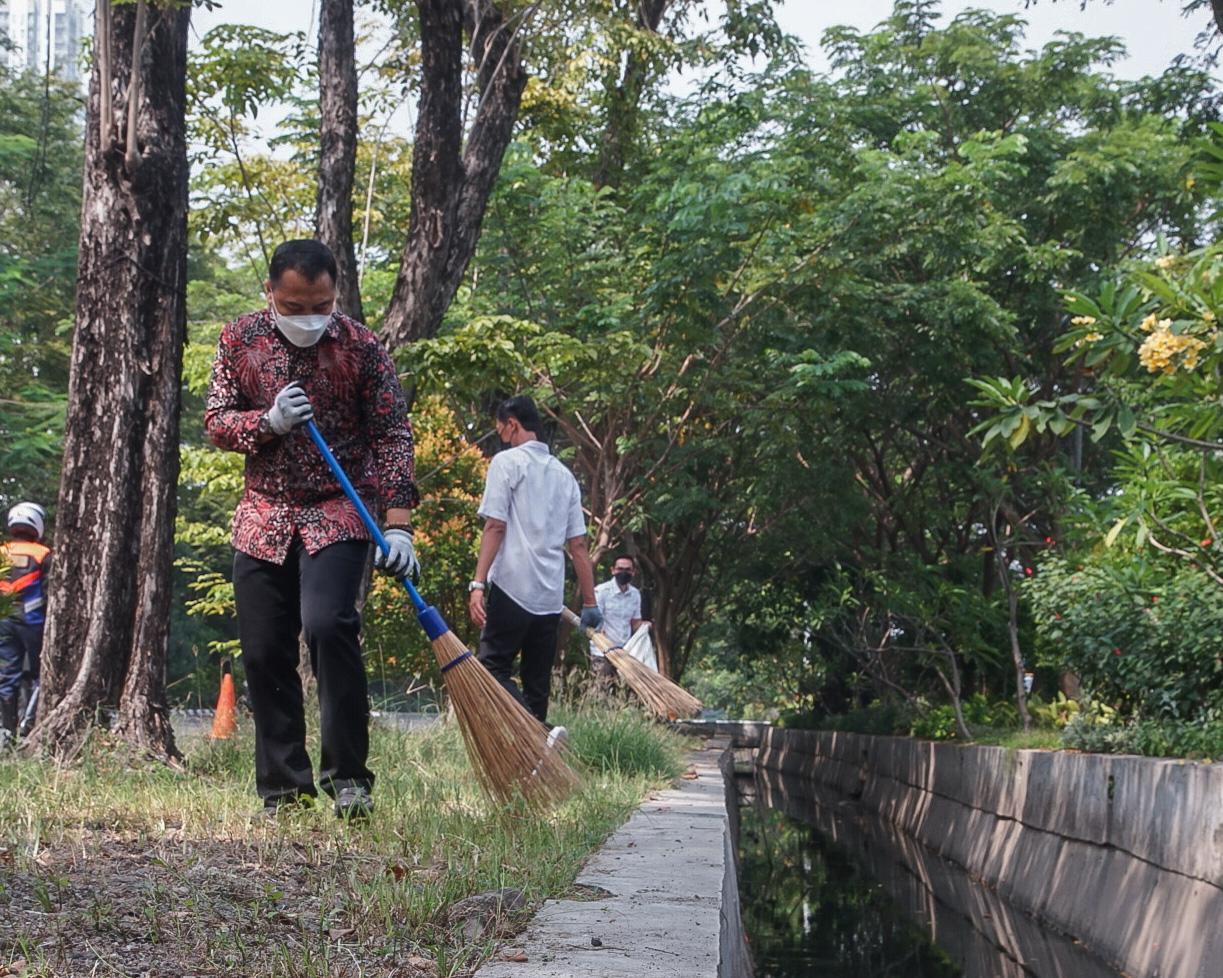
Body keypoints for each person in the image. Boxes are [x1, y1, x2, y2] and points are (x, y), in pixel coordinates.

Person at [205, 239, 420, 820]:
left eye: (320, 306)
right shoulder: (238, 341)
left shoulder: (362, 347)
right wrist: (267, 422)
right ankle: (284, 789)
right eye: (295, 307)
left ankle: (349, 778)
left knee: (329, 626)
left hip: (337, 509)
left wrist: (398, 526)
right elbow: (218, 422)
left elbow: (393, 436)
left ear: (335, 294)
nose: (309, 319)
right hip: (264, 516)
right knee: (263, 649)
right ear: (271, 294)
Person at [467, 396, 602, 737]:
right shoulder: (565, 476)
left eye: (502, 431)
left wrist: (478, 583)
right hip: (549, 598)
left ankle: (539, 734)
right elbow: (579, 546)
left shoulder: (507, 463)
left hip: (513, 587)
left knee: (491, 668)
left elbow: (495, 526)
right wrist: (589, 603)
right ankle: (537, 768)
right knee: (536, 688)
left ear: (512, 423)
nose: (502, 438)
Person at [0, 502, 49, 745]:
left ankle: (7, 732)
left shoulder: (2, 551)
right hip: (33, 622)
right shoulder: (43, 554)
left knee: (7, 676)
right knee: (42, 674)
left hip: (4, 623)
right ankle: (29, 725)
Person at [590, 554, 645, 680]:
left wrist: (645, 627)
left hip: (625, 652)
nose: (624, 572)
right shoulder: (601, 591)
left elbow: (635, 622)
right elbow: (596, 622)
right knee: (602, 691)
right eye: (620, 569)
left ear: (633, 572)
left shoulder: (635, 594)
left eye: (628, 570)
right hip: (602, 652)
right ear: (613, 570)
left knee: (623, 693)